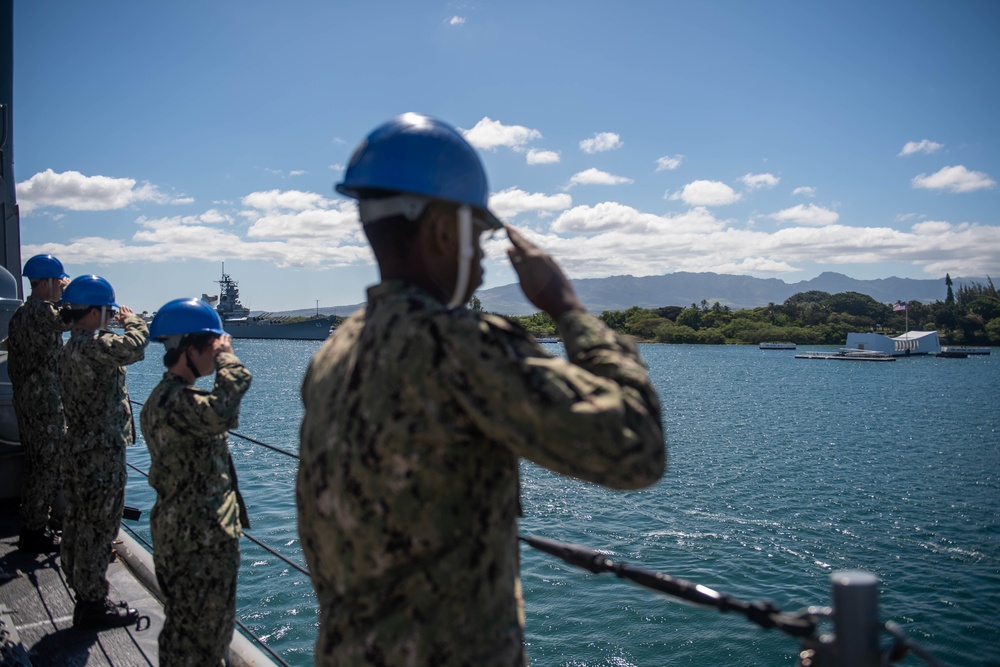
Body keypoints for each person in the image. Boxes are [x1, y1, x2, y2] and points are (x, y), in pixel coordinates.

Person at [297, 113, 666, 666]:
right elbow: (635, 448)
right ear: (445, 231)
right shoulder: (455, 344)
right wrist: (568, 308)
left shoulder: (336, 349)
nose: (487, 253)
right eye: (481, 233)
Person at [140, 298, 252, 665]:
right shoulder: (179, 402)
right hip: (199, 541)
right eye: (209, 349)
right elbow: (225, 405)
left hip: (179, 533)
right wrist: (227, 358)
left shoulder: (160, 398)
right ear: (189, 350)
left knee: (185, 631)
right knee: (207, 639)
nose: (213, 355)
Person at [57, 274, 148, 629]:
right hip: (101, 451)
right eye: (108, 311)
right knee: (99, 525)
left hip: (78, 444)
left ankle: (82, 587)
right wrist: (133, 320)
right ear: (94, 312)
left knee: (79, 519)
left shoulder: (71, 348)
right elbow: (136, 347)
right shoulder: (96, 344)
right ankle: (94, 605)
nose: (112, 316)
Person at [7, 254, 71, 552]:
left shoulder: (21, 313)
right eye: (59, 281)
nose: (61, 286)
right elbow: (72, 319)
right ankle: (34, 530)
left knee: (37, 464)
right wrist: (73, 294)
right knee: (44, 466)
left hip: (28, 401)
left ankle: (38, 524)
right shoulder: (42, 311)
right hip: (43, 403)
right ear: (44, 283)